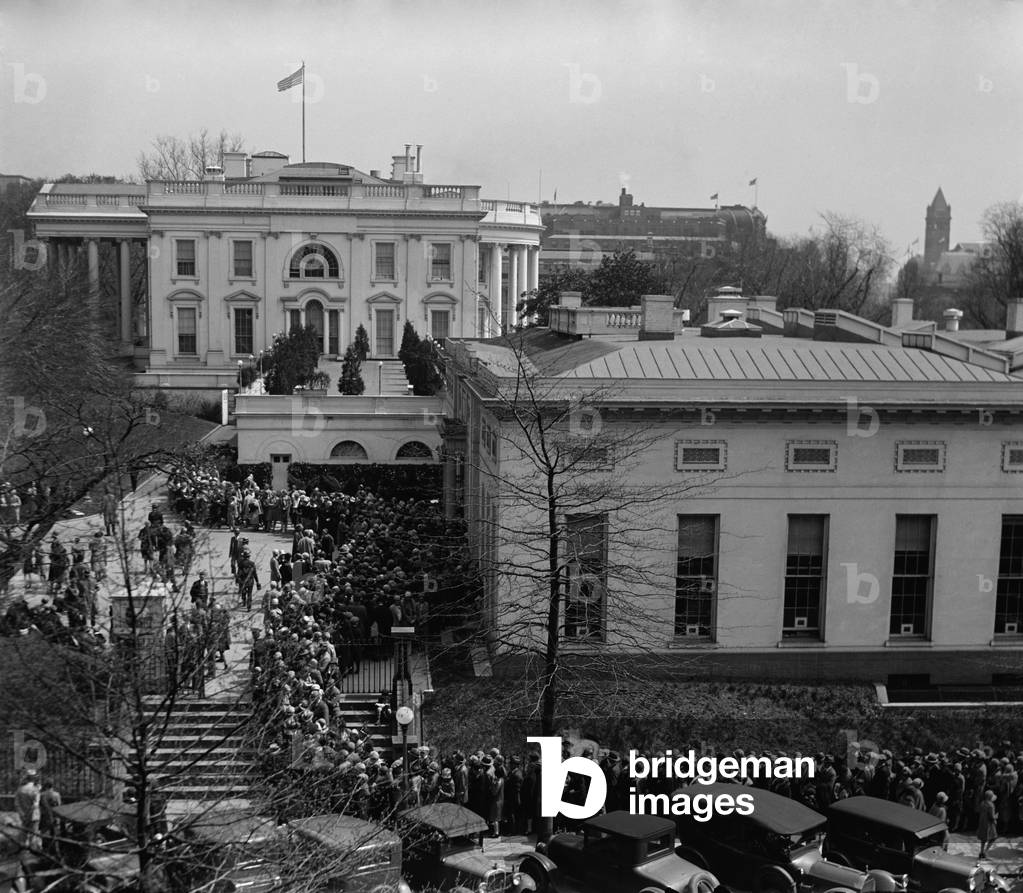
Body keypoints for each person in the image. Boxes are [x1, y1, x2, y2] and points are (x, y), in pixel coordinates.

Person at [14, 770, 41, 850]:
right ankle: (33, 851)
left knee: (24, 832)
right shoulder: (35, 789)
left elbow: (16, 804)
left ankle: (23, 849)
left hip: (23, 814)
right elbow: (36, 804)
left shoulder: (20, 789)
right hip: (34, 815)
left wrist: (22, 814)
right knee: (34, 833)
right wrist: (30, 814)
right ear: (35, 778)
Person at [978, 790, 998, 858]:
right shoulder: (991, 805)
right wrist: (996, 816)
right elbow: (992, 817)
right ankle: (985, 852)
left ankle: (981, 852)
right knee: (993, 838)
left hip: (982, 823)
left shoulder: (982, 803)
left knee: (983, 838)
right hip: (989, 824)